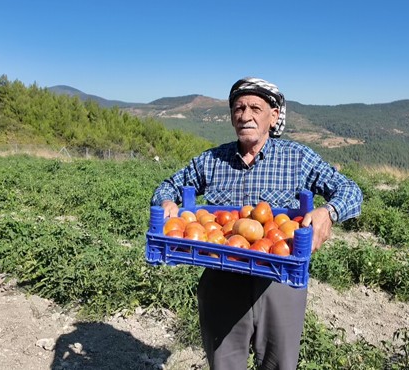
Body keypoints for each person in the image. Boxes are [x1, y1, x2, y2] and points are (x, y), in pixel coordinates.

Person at [151, 77, 362, 369]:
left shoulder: (297, 158)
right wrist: (166, 202)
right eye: (238, 108)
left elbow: (351, 191)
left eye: (255, 108)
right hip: (221, 274)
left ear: (273, 117)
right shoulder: (212, 160)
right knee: (224, 363)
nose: (245, 115)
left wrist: (330, 212)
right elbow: (167, 186)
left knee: (279, 364)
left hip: (279, 278)